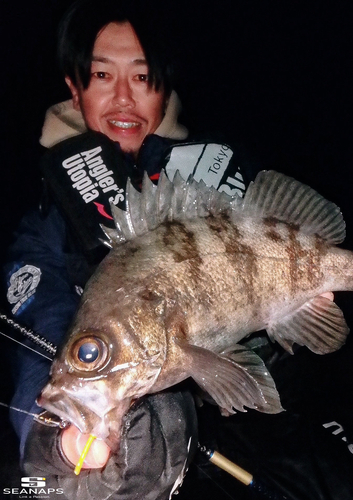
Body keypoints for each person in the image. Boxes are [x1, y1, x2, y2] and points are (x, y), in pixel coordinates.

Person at [3, 0, 255, 497]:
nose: (123, 99)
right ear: (74, 87)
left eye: (141, 78)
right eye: (101, 75)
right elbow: (42, 321)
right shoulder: (46, 216)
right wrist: (56, 435)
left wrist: (292, 324)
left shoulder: (213, 185)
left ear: (166, 84)